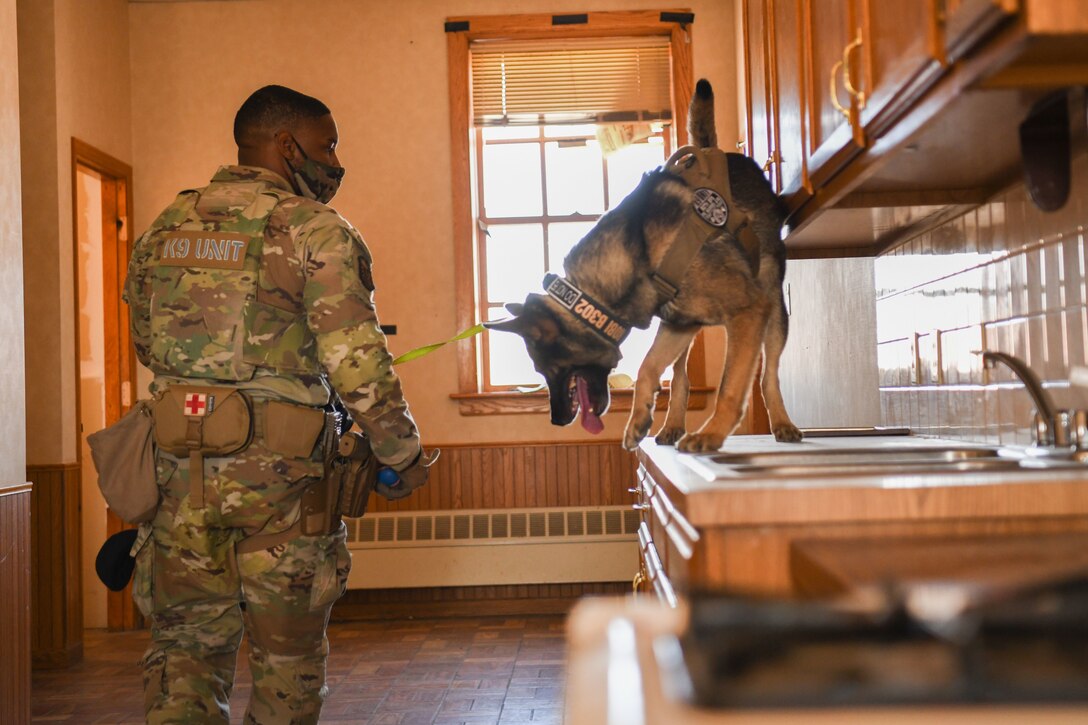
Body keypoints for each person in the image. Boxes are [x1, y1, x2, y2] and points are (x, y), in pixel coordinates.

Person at [123, 84, 432, 724]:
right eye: (328, 145)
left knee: (184, 655)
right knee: (286, 664)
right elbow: (356, 361)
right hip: (282, 486)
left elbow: (147, 343)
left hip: (177, 477)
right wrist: (402, 453)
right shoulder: (314, 229)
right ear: (287, 145)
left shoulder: (165, 225)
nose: (335, 160)